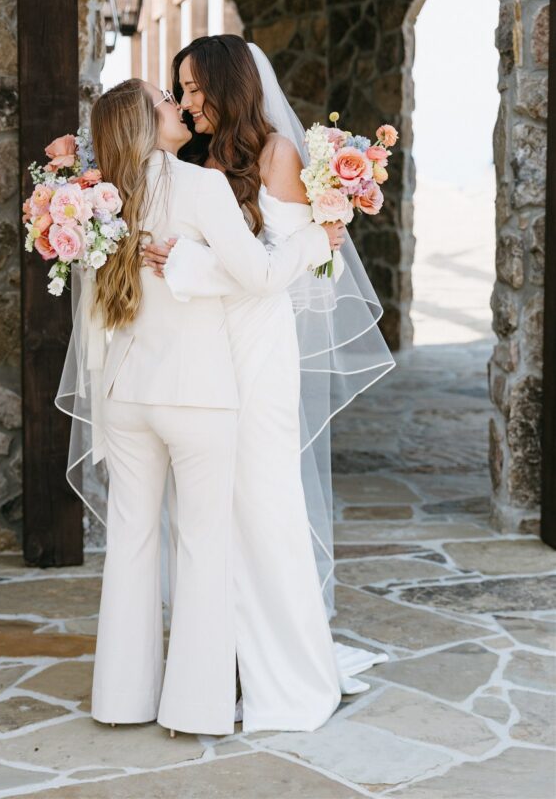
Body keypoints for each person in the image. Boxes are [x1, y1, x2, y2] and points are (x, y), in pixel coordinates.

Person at [60, 77, 340, 737]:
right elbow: (261, 276)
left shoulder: (98, 197)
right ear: (145, 124)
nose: (179, 106)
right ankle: (195, 708)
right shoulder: (199, 186)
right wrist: (316, 240)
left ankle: (120, 701)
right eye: (165, 100)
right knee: (203, 547)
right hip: (197, 397)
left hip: (125, 394)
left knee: (129, 544)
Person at [143, 36, 394, 732]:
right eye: (181, 90)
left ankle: (286, 671)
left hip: (256, 349)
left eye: (196, 88)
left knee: (263, 505)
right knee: (206, 513)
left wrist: (188, 265)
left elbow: (280, 267)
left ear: (229, 85)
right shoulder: (194, 158)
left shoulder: (278, 154)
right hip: (201, 350)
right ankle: (216, 661)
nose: (188, 102)